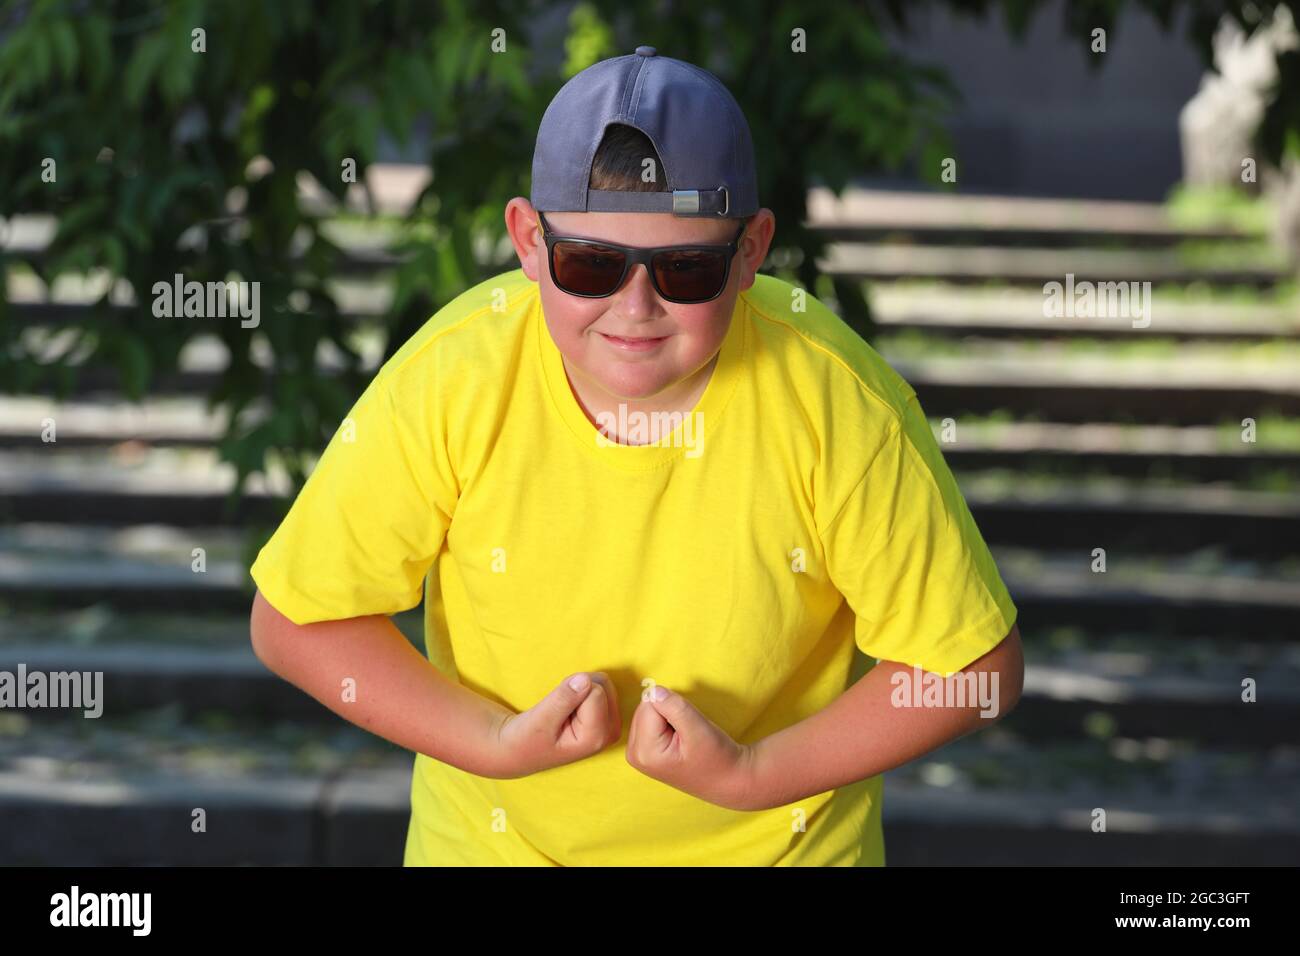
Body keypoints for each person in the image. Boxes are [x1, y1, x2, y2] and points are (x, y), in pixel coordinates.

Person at [248, 45, 1023, 866]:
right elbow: (298, 618)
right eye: (592, 264)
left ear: (752, 251)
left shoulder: (836, 403)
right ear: (528, 240)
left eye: (686, 270)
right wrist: (492, 744)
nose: (636, 307)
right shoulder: (456, 377)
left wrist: (753, 776)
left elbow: (974, 667)